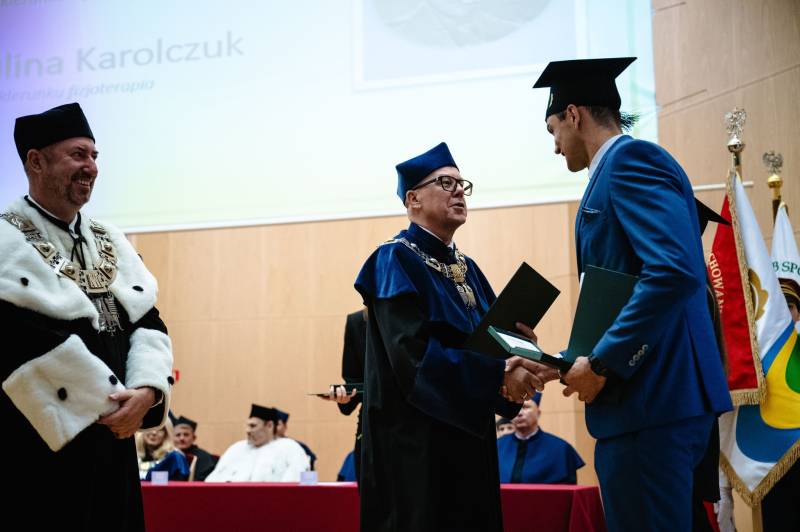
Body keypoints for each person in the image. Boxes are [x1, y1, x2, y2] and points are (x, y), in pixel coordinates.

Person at [532, 58, 732, 531]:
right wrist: (565, 362)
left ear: (574, 114)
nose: (555, 146)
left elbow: (673, 271)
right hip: (654, 403)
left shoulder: (630, 162)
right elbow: (620, 293)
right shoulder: (616, 170)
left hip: (650, 404)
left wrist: (602, 363)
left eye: (553, 130)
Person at [354, 142, 546, 531]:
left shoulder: (467, 267)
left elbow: (493, 348)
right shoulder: (393, 259)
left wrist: (520, 355)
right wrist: (499, 374)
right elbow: (413, 359)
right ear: (413, 199)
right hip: (415, 448)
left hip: (472, 439)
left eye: (462, 184)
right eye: (445, 183)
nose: (459, 191)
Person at [0, 102, 173, 531]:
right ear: (36, 162)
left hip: (115, 444)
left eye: (94, 156)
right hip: (39, 448)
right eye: (78, 154)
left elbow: (148, 321)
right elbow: (16, 337)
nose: (91, 167)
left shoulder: (110, 238)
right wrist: (114, 404)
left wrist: (147, 392)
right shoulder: (5, 241)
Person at [319, 308, 366, 482]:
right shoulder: (357, 322)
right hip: (371, 424)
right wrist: (344, 397)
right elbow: (353, 379)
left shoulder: (416, 312)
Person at [205, 404, 309, 482]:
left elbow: (301, 482)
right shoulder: (236, 448)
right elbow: (213, 480)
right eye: (247, 426)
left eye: (253, 426)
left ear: (269, 426)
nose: (247, 430)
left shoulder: (290, 448)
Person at [496, 392, 584, 484]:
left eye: (525, 407)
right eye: (515, 409)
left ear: (538, 413)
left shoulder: (561, 448)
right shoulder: (497, 446)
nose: (519, 413)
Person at [173, 415, 218, 481]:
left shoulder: (203, 457)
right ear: (172, 438)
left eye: (186, 435)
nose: (182, 438)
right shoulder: (168, 456)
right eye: (178, 435)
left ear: (194, 438)